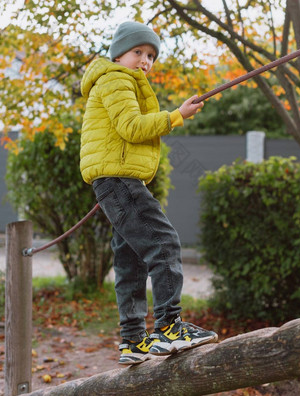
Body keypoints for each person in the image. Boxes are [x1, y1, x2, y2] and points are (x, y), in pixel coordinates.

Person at [80, 21, 218, 365]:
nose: (145, 60)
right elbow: (132, 128)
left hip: (113, 181)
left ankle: (132, 341)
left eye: (151, 55)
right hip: (120, 179)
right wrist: (176, 116)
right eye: (138, 52)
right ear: (119, 54)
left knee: (130, 261)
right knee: (164, 243)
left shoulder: (117, 80)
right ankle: (170, 326)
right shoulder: (116, 78)